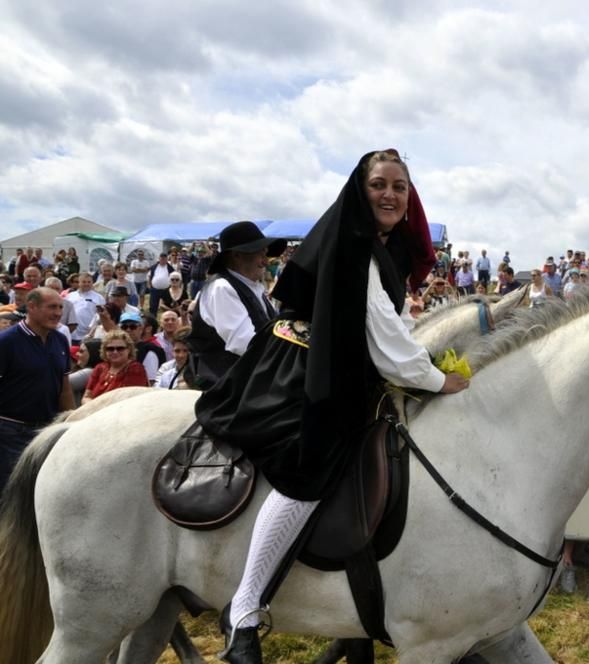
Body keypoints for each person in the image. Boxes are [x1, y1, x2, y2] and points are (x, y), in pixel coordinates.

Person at [195, 150, 470, 663]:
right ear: (358, 190)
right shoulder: (353, 245)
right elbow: (385, 335)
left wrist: (420, 363)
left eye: (400, 187)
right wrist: (435, 379)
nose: (390, 195)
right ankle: (245, 609)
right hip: (300, 372)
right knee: (312, 467)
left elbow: (389, 325)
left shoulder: (379, 246)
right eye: (379, 185)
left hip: (335, 364)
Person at [186, 222, 286, 388]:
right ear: (237, 255)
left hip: (250, 377)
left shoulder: (253, 288)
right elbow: (245, 343)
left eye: (266, 254)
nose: (265, 261)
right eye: (260, 253)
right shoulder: (222, 287)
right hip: (226, 385)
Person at [0, 287, 74, 494]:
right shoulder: (6, 342)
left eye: (60, 307)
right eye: (52, 307)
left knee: (41, 493)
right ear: (31, 307)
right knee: (11, 494)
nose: (58, 313)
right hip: (10, 433)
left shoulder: (60, 340)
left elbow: (65, 387)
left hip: (47, 431)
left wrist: (72, 422)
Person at [81, 330, 148, 403]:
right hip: (94, 411)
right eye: (110, 349)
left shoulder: (135, 369)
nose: (115, 352)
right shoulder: (100, 368)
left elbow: (127, 400)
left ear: (129, 349)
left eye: (120, 348)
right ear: (104, 350)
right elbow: (86, 397)